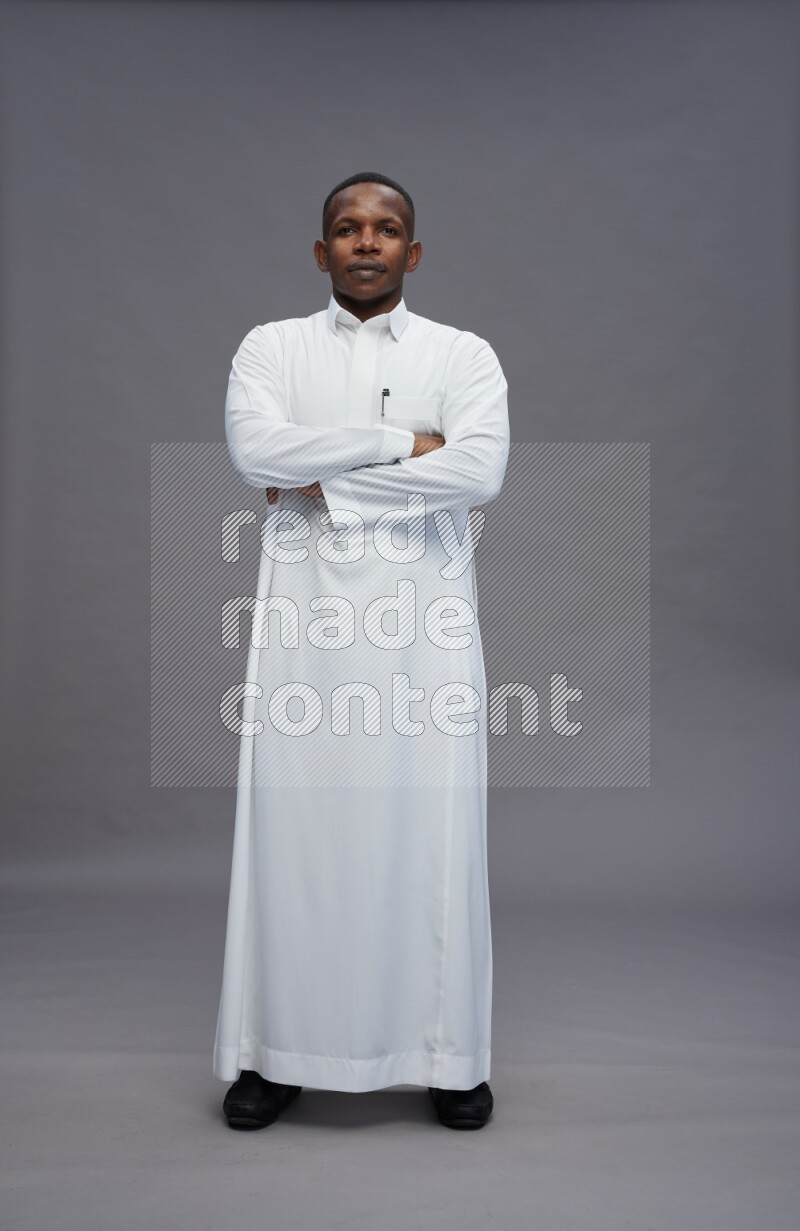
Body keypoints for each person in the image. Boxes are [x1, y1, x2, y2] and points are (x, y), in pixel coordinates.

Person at [214, 171, 510, 1130]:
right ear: (322, 251)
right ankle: (277, 1052)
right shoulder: (272, 347)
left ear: (413, 253)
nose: (368, 242)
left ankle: (448, 1054)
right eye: (348, 228)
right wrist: (399, 444)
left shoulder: (463, 354)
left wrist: (326, 476)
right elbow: (258, 454)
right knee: (295, 838)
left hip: (425, 634)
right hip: (305, 636)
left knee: (434, 838)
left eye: (387, 230)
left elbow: (481, 470)